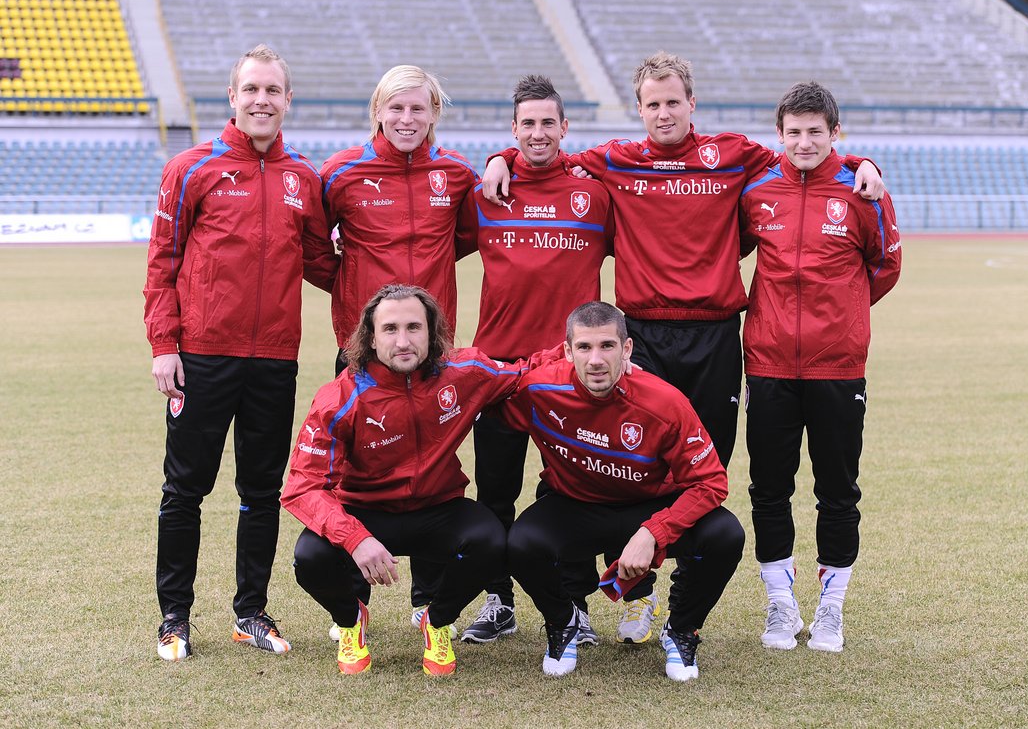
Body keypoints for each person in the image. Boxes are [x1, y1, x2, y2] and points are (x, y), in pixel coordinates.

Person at [484, 52, 885, 642]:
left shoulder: (732, 155)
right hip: (642, 334)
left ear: (691, 104)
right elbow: (546, 155)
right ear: (639, 108)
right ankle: (633, 596)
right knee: (629, 465)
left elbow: (805, 157)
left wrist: (860, 160)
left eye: (674, 102)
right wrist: (500, 157)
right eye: (653, 104)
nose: (664, 112)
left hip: (716, 334)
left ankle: (681, 600)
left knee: (702, 473)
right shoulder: (618, 159)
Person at [143, 44, 338, 662]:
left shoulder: (302, 178)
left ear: (287, 100)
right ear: (232, 97)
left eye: (273, 91)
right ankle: (174, 616)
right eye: (251, 90)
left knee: (260, 490)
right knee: (186, 489)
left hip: (274, 361)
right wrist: (164, 346)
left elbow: (322, 265)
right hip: (202, 357)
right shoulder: (191, 168)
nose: (262, 101)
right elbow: (163, 264)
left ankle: (250, 611)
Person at [282, 284, 542, 676]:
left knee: (492, 540)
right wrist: (356, 539)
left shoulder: (464, 371)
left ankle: (436, 622)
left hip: (436, 510)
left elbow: (526, 374)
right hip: (366, 513)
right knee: (311, 557)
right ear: (370, 337)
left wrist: (587, 359)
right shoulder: (340, 398)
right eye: (390, 329)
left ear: (432, 331)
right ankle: (351, 620)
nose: (403, 341)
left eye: (414, 327)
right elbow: (302, 486)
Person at [441, 75, 613, 645]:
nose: (538, 133)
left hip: (570, 372)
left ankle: (572, 606)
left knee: (570, 491)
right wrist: (498, 162)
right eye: (527, 124)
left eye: (548, 123)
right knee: (495, 489)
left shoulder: (596, 193)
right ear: (513, 132)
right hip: (500, 371)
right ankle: (498, 601)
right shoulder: (486, 195)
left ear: (565, 128)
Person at [738, 82, 902, 653]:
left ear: (836, 134)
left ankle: (831, 609)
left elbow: (885, 266)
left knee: (837, 491)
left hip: (838, 368)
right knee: (768, 490)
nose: (804, 142)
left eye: (815, 132)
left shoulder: (862, 191)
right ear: (779, 135)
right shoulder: (758, 190)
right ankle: (781, 606)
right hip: (768, 364)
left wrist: (844, 318)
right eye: (793, 132)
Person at [502, 301, 745, 681]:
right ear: (567, 352)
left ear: (627, 349)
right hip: (575, 505)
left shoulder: (664, 401)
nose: (595, 360)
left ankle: (681, 628)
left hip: (647, 506)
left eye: (607, 347)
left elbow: (711, 481)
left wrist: (654, 532)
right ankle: (563, 622)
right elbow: (488, 385)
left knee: (725, 534)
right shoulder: (538, 389)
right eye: (583, 347)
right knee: (520, 543)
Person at [320, 65, 478, 375]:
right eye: (396, 107)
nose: (406, 119)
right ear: (378, 110)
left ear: (433, 113)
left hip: (430, 338)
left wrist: (504, 158)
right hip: (364, 338)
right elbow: (311, 244)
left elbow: (468, 235)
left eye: (417, 108)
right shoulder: (341, 172)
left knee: (432, 424)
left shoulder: (457, 172)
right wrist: (348, 281)